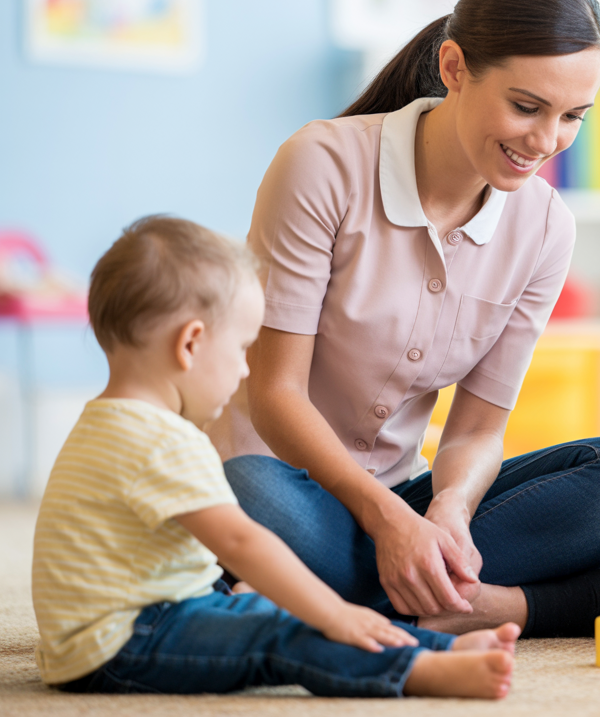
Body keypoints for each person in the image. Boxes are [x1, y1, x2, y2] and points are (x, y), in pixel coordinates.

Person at [207, 0, 600, 638]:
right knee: (243, 492)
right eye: (526, 106)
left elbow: (477, 431)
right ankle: (495, 605)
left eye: (574, 116)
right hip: (284, 484)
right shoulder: (322, 164)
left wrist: (451, 508)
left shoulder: (545, 228)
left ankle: (317, 601)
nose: (547, 140)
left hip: (408, 498)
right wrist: (386, 522)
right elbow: (275, 395)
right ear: (455, 68)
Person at [32, 217, 518, 698]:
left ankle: (434, 647)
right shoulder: (160, 441)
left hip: (121, 624)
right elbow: (241, 543)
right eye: (243, 348)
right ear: (191, 344)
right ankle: (421, 671)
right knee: (282, 632)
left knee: (267, 608)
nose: (246, 368)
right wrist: (333, 612)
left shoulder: (106, 423)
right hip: (125, 641)